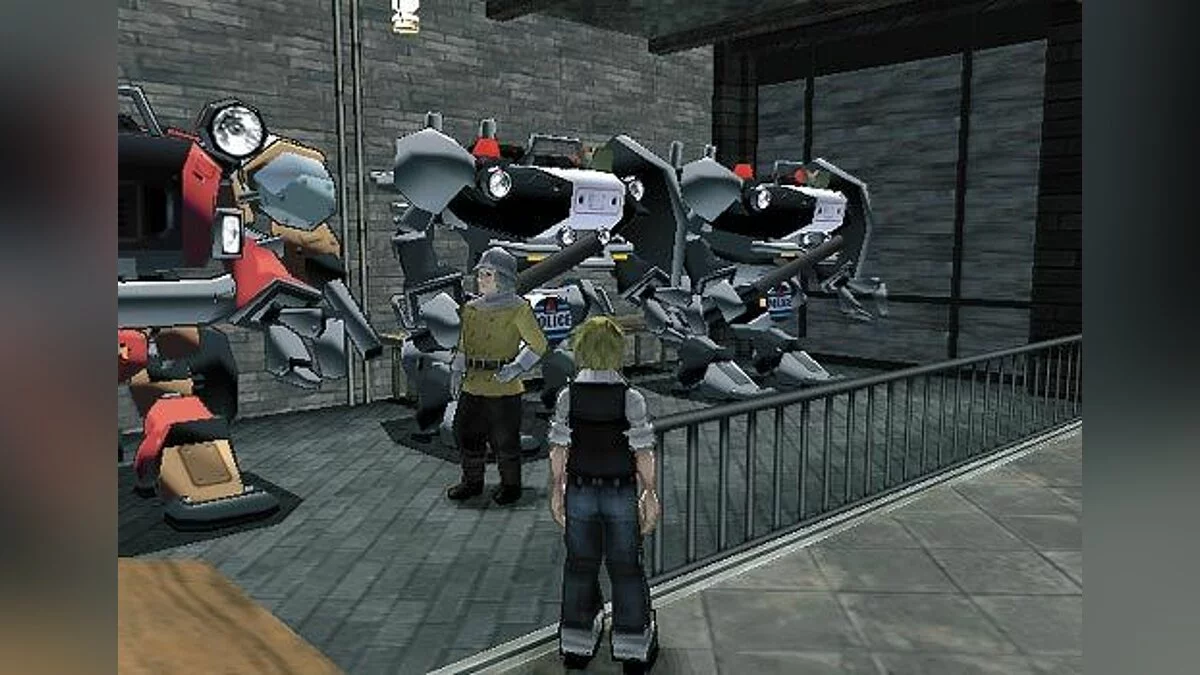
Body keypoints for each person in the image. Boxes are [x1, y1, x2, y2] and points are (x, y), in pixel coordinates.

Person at [548, 316, 660, 673]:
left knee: (580, 565)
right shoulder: (631, 398)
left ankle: (576, 642)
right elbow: (643, 452)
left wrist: (556, 490)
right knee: (625, 566)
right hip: (619, 491)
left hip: (580, 490)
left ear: (581, 350)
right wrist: (650, 493)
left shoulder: (568, 396)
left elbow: (559, 449)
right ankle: (632, 644)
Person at [447, 247, 549, 505]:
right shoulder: (471, 308)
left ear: (503, 279)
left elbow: (538, 344)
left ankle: (511, 486)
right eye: (480, 274)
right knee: (466, 434)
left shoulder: (518, 308)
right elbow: (463, 344)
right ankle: (472, 482)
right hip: (473, 384)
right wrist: (457, 369)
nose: (480, 279)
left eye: (487, 274)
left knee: (505, 441)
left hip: (503, 387)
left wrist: (516, 367)